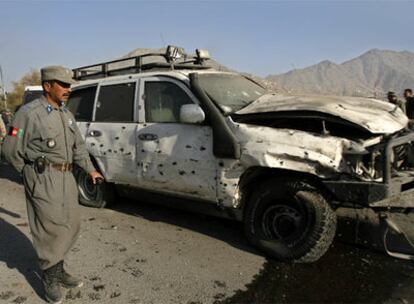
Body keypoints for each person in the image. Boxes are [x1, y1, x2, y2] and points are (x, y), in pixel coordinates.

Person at [2, 66, 103, 304]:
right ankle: (49, 277)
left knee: (71, 224)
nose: (68, 89)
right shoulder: (28, 113)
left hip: (66, 177)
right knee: (50, 228)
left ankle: (58, 268)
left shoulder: (65, 113)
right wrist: (27, 174)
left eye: (69, 85)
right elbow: (10, 150)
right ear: (47, 86)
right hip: (43, 177)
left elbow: (78, 147)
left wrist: (90, 169)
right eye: (63, 84)